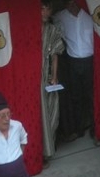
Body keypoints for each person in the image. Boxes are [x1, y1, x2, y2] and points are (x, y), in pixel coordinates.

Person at [54, 0, 95, 141]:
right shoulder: (61, 16)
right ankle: (78, 128)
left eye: (74, 3)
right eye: (68, 4)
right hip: (73, 61)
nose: (72, 6)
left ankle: (95, 127)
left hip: (90, 61)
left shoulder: (91, 15)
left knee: (91, 96)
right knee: (75, 96)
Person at [41, 0, 65, 168]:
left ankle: (47, 151)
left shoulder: (53, 30)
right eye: (41, 8)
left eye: (47, 8)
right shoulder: (29, 28)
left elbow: (55, 54)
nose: (44, 12)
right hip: (33, 77)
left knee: (51, 114)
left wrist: (54, 76)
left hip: (48, 76)